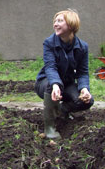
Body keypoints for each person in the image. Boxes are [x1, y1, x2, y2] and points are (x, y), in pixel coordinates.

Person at [35, 9, 94, 139]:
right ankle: (49, 127)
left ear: (71, 25)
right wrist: (56, 84)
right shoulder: (49, 43)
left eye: (60, 21)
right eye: (55, 21)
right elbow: (50, 67)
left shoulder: (82, 47)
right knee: (53, 85)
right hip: (46, 83)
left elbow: (83, 72)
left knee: (87, 101)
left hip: (67, 83)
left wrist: (84, 89)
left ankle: (61, 110)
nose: (55, 23)